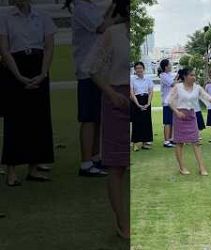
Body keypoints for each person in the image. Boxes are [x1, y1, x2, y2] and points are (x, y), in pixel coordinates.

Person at [84, 0, 130, 238]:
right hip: (116, 101)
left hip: (137, 103)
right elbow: (91, 68)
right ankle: (122, 222)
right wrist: (111, 93)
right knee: (117, 166)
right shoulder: (113, 34)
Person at [0, 0, 57, 186]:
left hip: (38, 65)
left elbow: (49, 46)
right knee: (15, 120)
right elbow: (5, 49)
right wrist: (17, 75)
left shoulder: (43, 17)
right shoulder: (5, 17)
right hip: (15, 66)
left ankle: (34, 167)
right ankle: (11, 171)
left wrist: (43, 72)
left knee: (39, 118)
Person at [67, 0, 119, 177]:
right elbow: (101, 27)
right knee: (88, 118)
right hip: (87, 72)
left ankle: (96, 158)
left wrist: (114, 6)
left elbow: (105, 19)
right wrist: (119, 14)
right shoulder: (81, 8)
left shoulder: (92, 7)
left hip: (100, 72)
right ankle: (86, 163)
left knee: (98, 118)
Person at [168, 67, 211, 176]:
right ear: (185, 76)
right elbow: (170, 101)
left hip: (191, 116)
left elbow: (208, 97)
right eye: (191, 75)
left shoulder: (197, 88)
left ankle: (202, 168)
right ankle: (182, 167)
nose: (194, 77)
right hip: (180, 116)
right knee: (179, 143)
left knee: (196, 142)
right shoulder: (177, 87)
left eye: (194, 75)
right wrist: (177, 112)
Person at [130, 61, 154, 151]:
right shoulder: (132, 79)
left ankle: (145, 142)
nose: (139, 70)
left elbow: (151, 91)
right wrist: (138, 104)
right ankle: (135, 142)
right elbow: (131, 92)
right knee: (137, 122)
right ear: (135, 70)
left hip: (146, 100)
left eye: (140, 68)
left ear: (144, 69)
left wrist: (148, 103)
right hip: (136, 100)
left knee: (146, 121)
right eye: (137, 68)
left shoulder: (148, 79)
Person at [159, 59, 175, 148]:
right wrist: (179, 77)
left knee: (172, 121)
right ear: (166, 66)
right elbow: (173, 84)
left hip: (173, 102)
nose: (171, 66)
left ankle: (171, 139)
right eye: (170, 64)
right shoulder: (163, 75)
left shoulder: (169, 75)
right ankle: (166, 141)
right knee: (167, 122)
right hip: (167, 102)